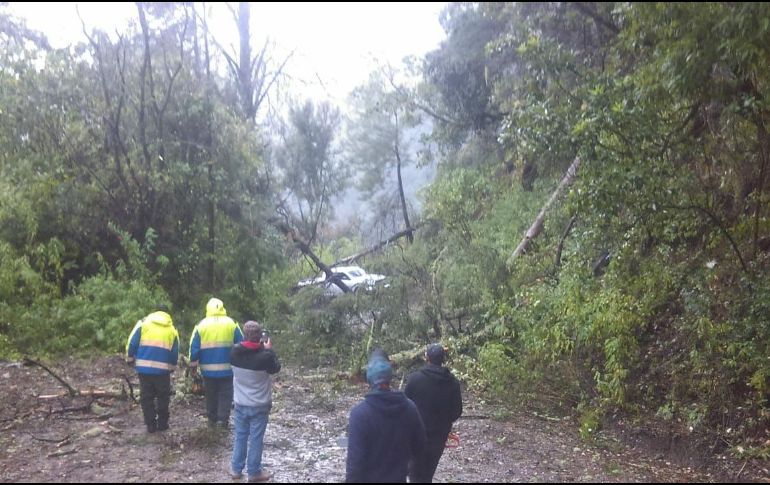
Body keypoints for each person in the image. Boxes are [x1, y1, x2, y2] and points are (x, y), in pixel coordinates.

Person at [346, 350, 426, 483]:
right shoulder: (410, 408)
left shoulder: (359, 414)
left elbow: (355, 465)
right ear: (390, 377)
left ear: (369, 379)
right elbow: (420, 446)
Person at [229, 321, 281, 483]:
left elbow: (247, 351)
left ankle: (236, 469)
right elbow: (275, 368)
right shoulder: (265, 357)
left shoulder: (234, 354)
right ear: (259, 337)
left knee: (240, 436)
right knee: (256, 438)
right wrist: (269, 349)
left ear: (244, 335)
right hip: (260, 404)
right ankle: (254, 472)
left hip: (240, 402)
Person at [404, 344, 463, 483]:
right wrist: (444, 422)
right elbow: (457, 411)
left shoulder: (414, 379)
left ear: (427, 358)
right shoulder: (453, 382)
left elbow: (404, 406)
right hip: (439, 435)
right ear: (443, 359)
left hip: (416, 434)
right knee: (428, 474)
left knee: (415, 473)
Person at [189, 297, 244, 428]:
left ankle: (211, 419)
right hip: (228, 369)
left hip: (208, 370)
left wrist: (193, 365)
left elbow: (194, 348)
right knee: (226, 394)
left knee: (210, 394)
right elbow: (241, 344)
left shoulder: (201, 326)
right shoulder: (232, 324)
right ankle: (222, 420)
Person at [125, 307, 180, 433]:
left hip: (144, 369)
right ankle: (162, 423)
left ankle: (150, 424)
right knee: (163, 396)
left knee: (146, 397)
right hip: (163, 371)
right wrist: (172, 366)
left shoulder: (143, 325)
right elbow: (174, 352)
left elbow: (132, 342)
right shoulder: (172, 330)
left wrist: (129, 358)